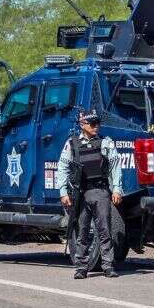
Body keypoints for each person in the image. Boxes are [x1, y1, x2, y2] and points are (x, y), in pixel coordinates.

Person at [56, 109, 123, 279]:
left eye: (97, 123)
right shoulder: (72, 144)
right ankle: (81, 267)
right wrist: (63, 192)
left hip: (100, 191)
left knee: (105, 231)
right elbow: (62, 167)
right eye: (92, 124)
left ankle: (108, 265)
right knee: (82, 231)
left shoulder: (105, 143)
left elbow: (116, 166)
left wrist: (116, 189)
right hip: (81, 193)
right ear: (82, 125)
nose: (96, 127)